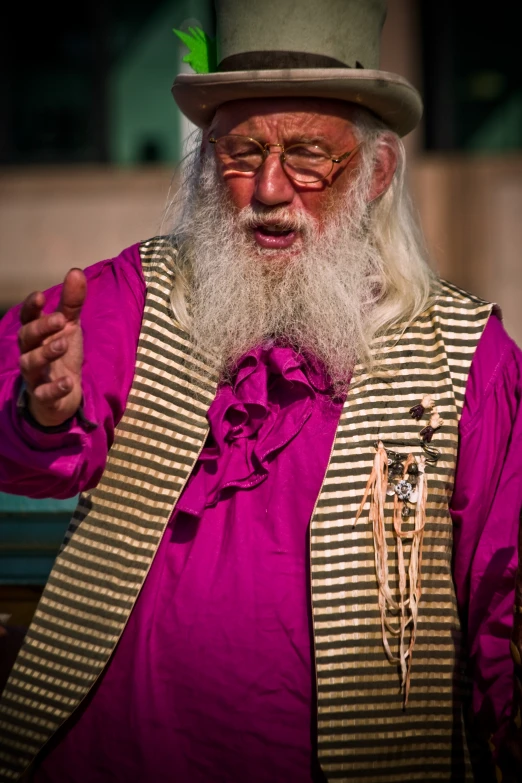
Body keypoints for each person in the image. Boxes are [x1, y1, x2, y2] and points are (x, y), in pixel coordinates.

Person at [0, 1, 521, 781]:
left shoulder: (469, 358)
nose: (269, 189)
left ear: (375, 172)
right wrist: (42, 411)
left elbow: (506, 598)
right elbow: (25, 432)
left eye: (308, 155)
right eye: (242, 153)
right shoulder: (133, 298)